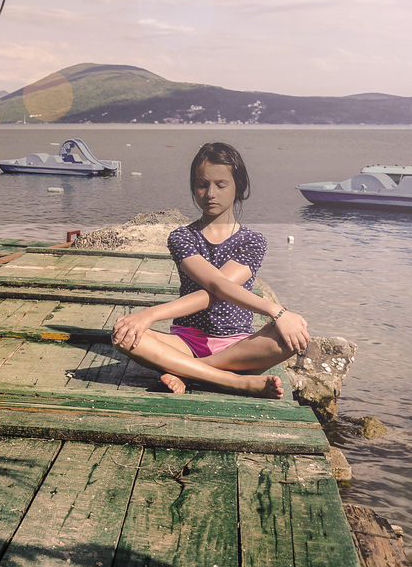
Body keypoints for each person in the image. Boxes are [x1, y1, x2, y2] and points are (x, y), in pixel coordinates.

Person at [111, 142, 310, 398]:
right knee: (123, 335)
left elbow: (219, 289)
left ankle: (188, 372)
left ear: (238, 187)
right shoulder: (182, 237)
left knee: (294, 336)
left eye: (221, 184)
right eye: (202, 184)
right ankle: (233, 381)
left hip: (237, 345)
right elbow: (215, 286)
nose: (210, 193)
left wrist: (149, 314)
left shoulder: (252, 241)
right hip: (185, 341)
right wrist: (277, 311)